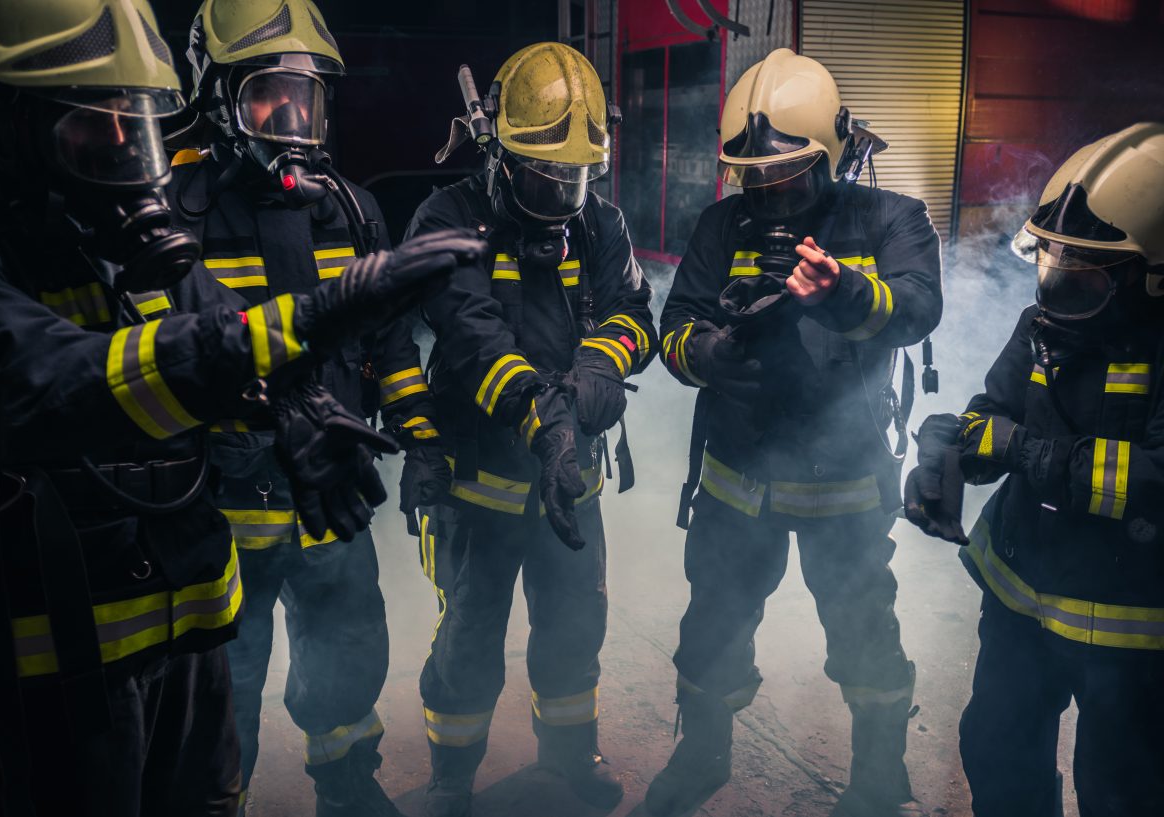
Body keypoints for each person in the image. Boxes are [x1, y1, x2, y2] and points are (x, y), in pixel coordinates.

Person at [0, 1, 480, 813]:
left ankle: (343, 780)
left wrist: (302, 409)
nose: (127, 157)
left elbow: (236, 342)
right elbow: (58, 378)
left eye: (133, 123)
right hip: (52, 663)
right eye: (91, 128)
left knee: (324, 676)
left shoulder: (113, 233)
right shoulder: (21, 246)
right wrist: (307, 324)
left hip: (187, 607)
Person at [167, 2, 448, 814]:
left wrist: (422, 441)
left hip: (334, 502)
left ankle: (347, 781)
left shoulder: (353, 211)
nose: (291, 119)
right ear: (218, 99)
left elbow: (389, 346)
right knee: (227, 682)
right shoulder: (176, 216)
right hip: (223, 512)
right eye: (268, 96)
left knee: (350, 655)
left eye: (307, 98)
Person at [652, 48, 942, 817]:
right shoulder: (721, 224)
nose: (770, 197)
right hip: (734, 480)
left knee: (864, 634)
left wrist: (845, 290)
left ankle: (879, 777)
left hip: (843, 482)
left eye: (787, 179)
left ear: (835, 156)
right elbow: (673, 323)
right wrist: (704, 355)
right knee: (710, 627)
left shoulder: (889, 219)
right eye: (755, 180)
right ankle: (701, 752)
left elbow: (916, 307)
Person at [403, 42, 656, 817]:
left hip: (571, 479)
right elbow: (472, 332)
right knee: (470, 635)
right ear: (499, 152)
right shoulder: (446, 217)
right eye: (547, 173)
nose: (564, 192)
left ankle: (570, 759)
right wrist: (542, 416)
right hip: (477, 480)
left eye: (579, 175)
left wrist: (591, 382)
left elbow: (631, 317)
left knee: (575, 626)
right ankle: (453, 774)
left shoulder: (600, 222)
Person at [905, 122, 1164, 817]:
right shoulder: (1044, 323)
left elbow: (1152, 480)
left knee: (1122, 792)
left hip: (1132, 631)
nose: (1057, 287)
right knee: (995, 748)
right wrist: (947, 453)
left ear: (1153, 278)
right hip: (1020, 599)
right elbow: (997, 411)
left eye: (1084, 272)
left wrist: (1025, 449)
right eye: (1054, 262)